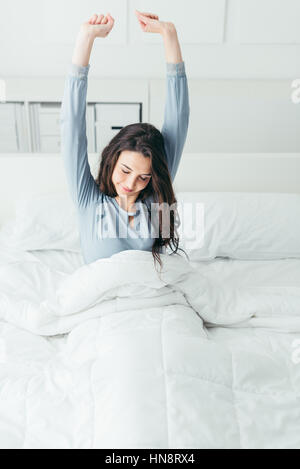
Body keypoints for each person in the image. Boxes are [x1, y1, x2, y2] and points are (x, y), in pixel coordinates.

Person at [60, 10, 190, 271]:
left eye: (144, 177)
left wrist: (169, 35)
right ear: (112, 160)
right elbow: (71, 128)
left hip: (152, 302)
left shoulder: (156, 202)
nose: (132, 184)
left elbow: (179, 116)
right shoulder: (89, 201)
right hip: (103, 306)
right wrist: (86, 39)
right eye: (126, 170)